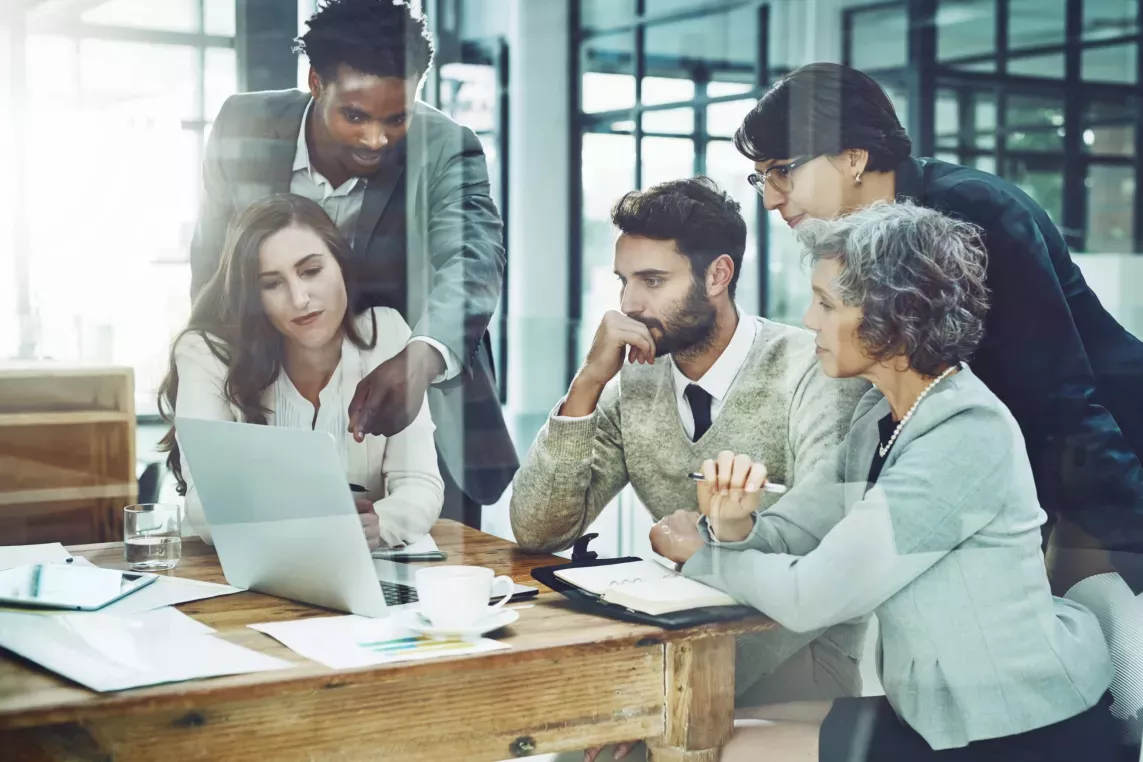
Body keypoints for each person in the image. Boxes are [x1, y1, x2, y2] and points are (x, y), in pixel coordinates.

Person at [735, 61, 1143, 746]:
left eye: (782, 169)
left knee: (1091, 689)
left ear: (854, 156)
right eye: (761, 177)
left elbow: (1063, 396)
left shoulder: (975, 213)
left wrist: (1127, 531)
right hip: (1024, 463)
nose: (772, 197)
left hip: (1103, 452)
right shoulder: (860, 252)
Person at [651, 202, 1117, 761]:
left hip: (1019, 729)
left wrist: (700, 556)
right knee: (698, 724)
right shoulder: (881, 419)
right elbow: (794, 531)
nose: (807, 321)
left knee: (717, 747)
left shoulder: (964, 436)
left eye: (826, 304)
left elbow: (812, 595)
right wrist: (731, 525)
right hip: (938, 711)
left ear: (894, 316)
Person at [508, 177, 868, 762]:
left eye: (653, 281)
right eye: (624, 281)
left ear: (718, 276)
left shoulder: (813, 369)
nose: (629, 305)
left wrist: (649, 699)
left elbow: (819, 558)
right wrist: (587, 385)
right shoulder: (637, 379)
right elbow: (538, 528)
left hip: (798, 647)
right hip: (679, 640)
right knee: (562, 744)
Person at [188, 0, 515, 529]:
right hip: (279, 403)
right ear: (316, 82)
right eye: (356, 116)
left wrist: (422, 357)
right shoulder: (241, 126)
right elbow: (212, 269)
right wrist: (210, 391)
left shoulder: (447, 147)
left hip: (412, 412)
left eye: (397, 117)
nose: (376, 139)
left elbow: (473, 260)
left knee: (432, 590)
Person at [160, 193, 443, 549]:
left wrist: (377, 526)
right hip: (236, 575)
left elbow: (420, 484)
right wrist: (315, 525)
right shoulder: (208, 352)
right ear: (253, 295)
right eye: (272, 284)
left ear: (340, 262)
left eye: (311, 271)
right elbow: (205, 507)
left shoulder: (388, 333)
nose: (299, 299)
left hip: (357, 571)